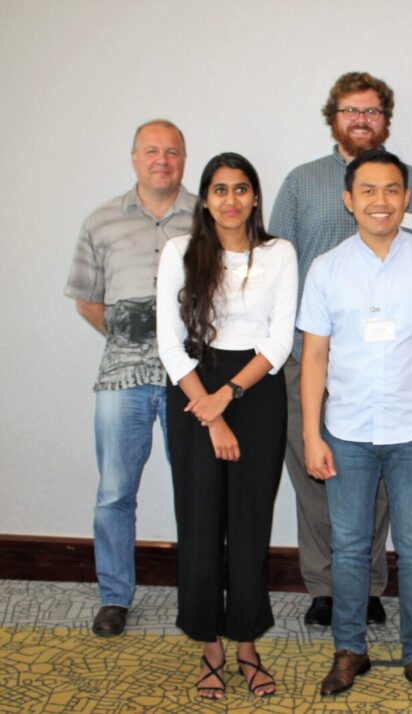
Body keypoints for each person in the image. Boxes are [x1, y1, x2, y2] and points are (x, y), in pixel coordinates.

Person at [270, 71, 412, 628]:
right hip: (312, 355)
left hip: (395, 366)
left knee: (386, 481)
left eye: (372, 111)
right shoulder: (301, 182)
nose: (361, 119)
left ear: (385, 120)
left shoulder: (410, 181)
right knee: (319, 473)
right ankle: (325, 585)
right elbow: (277, 267)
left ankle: (366, 585)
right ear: (333, 116)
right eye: (350, 110)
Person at [299, 149, 412, 706]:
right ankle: (350, 649)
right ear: (348, 200)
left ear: (407, 197)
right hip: (345, 430)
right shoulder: (326, 268)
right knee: (348, 548)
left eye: (391, 190)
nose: (380, 201)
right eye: (367, 190)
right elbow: (315, 356)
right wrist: (311, 434)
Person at [156, 153, 296, 699]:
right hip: (193, 387)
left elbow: (279, 341)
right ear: (205, 199)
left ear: (255, 197)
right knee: (199, 522)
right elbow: (169, 342)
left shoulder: (279, 253)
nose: (231, 200)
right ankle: (209, 646)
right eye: (220, 190)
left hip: (255, 391)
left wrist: (229, 398)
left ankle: (245, 644)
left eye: (241, 189)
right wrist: (209, 412)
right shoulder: (181, 252)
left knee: (249, 524)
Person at [64, 119, 195, 638]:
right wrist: (132, 341)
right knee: (115, 492)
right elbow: (87, 300)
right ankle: (114, 596)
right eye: (151, 151)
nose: (162, 160)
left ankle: (199, 594)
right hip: (122, 378)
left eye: (172, 151)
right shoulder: (101, 221)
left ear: (184, 159)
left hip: (190, 380)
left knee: (195, 490)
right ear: (134, 157)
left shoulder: (206, 218)